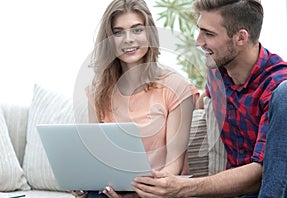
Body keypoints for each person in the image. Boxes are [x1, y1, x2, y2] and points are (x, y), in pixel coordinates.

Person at [132, 0, 287, 197]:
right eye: (200, 30)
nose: (198, 41)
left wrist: (182, 188)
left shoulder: (278, 84)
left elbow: (264, 173)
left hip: (264, 191)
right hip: (228, 193)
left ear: (240, 37)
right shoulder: (217, 73)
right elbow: (203, 102)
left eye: (208, 34)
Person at [72, 0, 199, 197]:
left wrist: (136, 193)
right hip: (110, 191)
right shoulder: (98, 91)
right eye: (118, 32)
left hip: (158, 190)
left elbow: (175, 165)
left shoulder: (176, 87)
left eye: (137, 30)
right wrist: (86, 180)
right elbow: (97, 158)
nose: (128, 39)